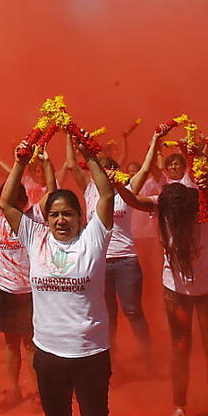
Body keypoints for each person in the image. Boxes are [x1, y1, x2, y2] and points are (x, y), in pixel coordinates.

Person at [0, 134, 116, 416]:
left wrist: (86, 152)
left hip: (90, 353)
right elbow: (6, 204)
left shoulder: (93, 239)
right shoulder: (35, 237)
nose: (60, 220)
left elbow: (106, 195)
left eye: (68, 214)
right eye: (54, 214)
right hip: (49, 355)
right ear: (46, 218)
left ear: (81, 217)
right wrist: (21, 161)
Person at [116, 157, 208, 416]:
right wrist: (113, 179)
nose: (175, 219)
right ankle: (179, 408)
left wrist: (206, 183)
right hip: (176, 291)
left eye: (181, 214)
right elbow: (131, 199)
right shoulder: (161, 205)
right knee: (180, 349)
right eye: (171, 214)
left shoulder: (203, 205)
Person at [0, 148, 54, 411]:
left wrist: (48, 163)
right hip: (4, 290)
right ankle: (14, 390)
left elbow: (51, 193)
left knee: (31, 344)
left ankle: (39, 393)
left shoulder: (32, 217)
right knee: (10, 344)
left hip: (28, 292)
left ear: (22, 200)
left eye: (14, 197)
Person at [62, 137, 153, 373]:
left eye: (109, 168)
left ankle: (148, 356)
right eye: (100, 169)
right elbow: (72, 165)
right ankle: (110, 357)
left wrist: (154, 140)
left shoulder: (127, 189)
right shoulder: (90, 189)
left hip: (126, 261)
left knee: (132, 310)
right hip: (99, 262)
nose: (104, 172)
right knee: (106, 313)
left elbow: (146, 168)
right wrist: (69, 137)